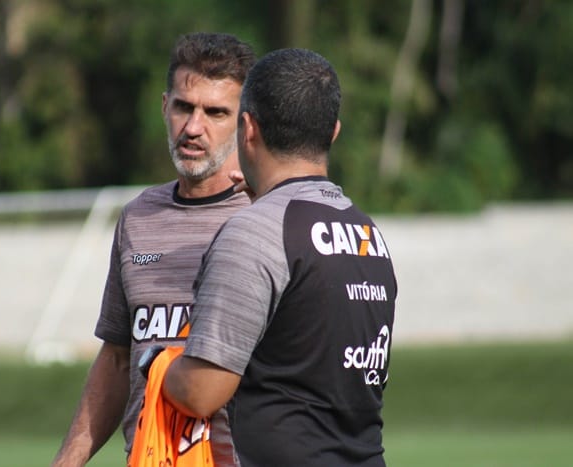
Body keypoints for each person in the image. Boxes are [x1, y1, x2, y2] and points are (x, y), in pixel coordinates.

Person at [162, 48, 397, 466]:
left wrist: (156, 364)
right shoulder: (367, 233)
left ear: (248, 127)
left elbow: (201, 393)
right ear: (333, 132)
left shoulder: (256, 232)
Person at [51, 32, 256, 467]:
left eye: (215, 112)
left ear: (245, 122)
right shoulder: (138, 218)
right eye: (184, 107)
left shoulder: (267, 217)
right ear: (165, 107)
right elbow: (117, 359)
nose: (193, 127)